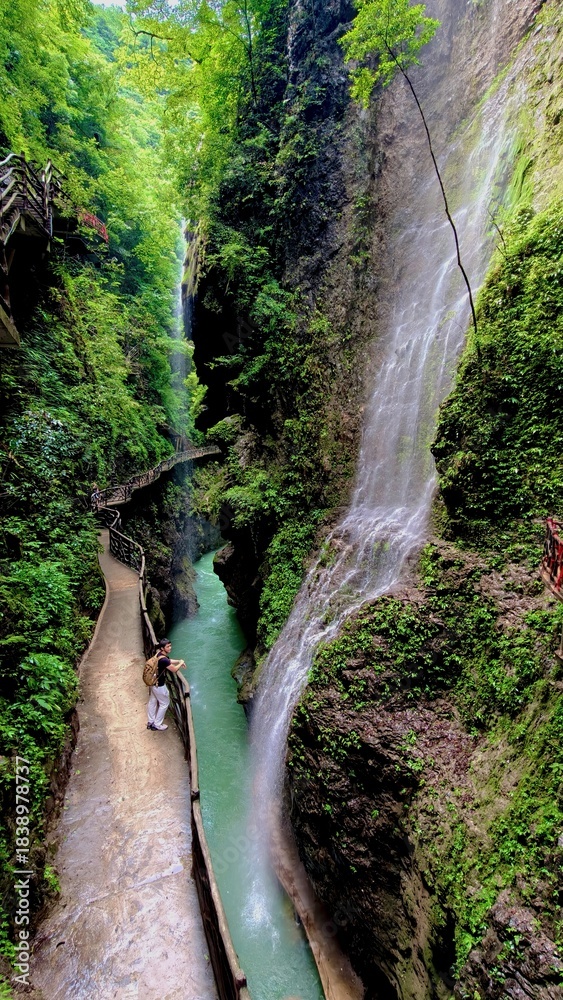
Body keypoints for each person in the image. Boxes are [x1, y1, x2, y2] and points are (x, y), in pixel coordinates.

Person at [146, 638, 185, 731]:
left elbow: (168, 661)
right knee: (164, 703)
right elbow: (174, 669)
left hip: (153, 682)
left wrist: (178, 661)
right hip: (159, 685)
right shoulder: (163, 660)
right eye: (168, 646)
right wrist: (181, 663)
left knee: (153, 701)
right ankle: (157, 724)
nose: (170, 647)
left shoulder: (159, 655)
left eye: (170, 645)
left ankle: (150, 721)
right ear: (163, 648)